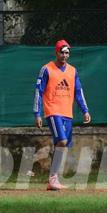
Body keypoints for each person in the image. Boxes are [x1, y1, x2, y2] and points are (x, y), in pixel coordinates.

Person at [34, 39, 91, 191]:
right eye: (62, 52)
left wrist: (85, 110)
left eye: (67, 53)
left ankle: (53, 180)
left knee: (62, 144)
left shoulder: (73, 71)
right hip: (53, 111)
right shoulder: (47, 69)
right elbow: (38, 92)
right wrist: (37, 113)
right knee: (62, 141)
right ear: (56, 52)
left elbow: (78, 92)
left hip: (67, 113)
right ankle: (53, 179)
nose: (65, 55)